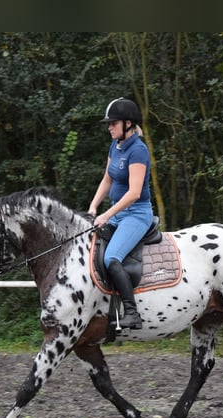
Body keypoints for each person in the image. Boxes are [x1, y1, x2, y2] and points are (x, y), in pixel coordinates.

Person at [88, 97, 154, 330]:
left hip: (136, 214)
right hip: (118, 212)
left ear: (128, 124)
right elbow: (107, 179)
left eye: (113, 123)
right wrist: (94, 206)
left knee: (111, 258)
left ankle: (132, 313)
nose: (109, 127)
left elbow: (134, 193)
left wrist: (106, 215)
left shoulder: (138, 151)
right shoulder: (114, 147)